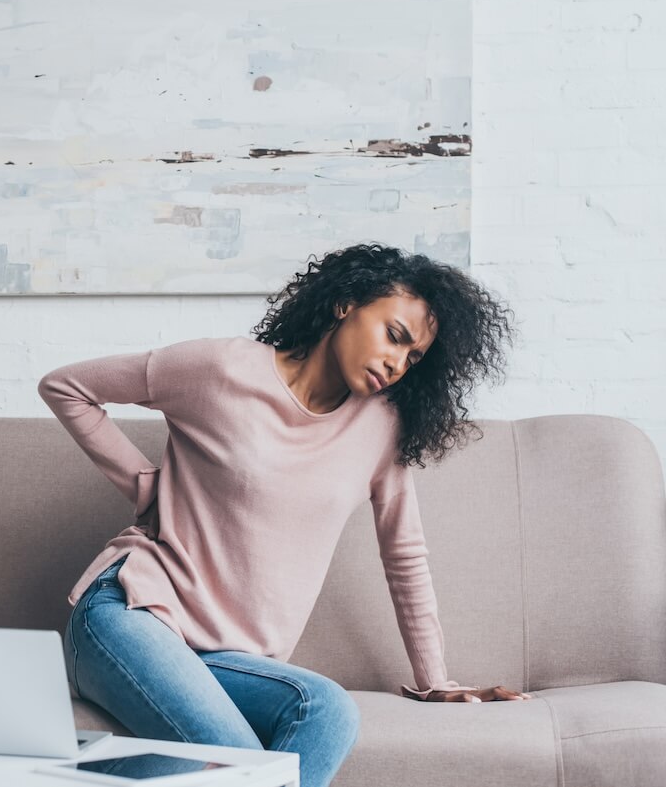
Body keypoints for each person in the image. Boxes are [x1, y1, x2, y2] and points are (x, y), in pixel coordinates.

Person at [36, 243, 531, 787]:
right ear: (346, 304)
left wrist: (434, 680)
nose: (397, 363)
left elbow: (405, 555)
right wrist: (146, 484)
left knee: (328, 711)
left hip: (225, 658)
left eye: (413, 358)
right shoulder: (219, 368)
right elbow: (67, 387)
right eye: (395, 336)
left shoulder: (381, 428)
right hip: (132, 611)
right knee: (230, 755)